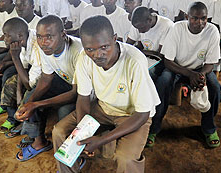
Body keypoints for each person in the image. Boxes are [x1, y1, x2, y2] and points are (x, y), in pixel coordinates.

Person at [53, 15, 160, 173]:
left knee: (126, 158)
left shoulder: (134, 61)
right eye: (90, 49)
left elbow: (143, 114)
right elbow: (83, 98)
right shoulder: (84, 58)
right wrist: (84, 133)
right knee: (59, 132)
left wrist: (101, 140)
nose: (97, 55)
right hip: (103, 108)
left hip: (133, 115)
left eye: (104, 47)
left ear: (115, 39)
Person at [148, 2, 221, 148]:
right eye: (194, 18)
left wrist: (200, 75)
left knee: (215, 87)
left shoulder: (212, 30)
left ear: (208, 18)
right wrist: (190, 74)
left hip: (200, 69)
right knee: (163, 83)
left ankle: (208, 128)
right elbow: (168, 61)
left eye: (203, 18)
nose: (199, 23)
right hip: (177, 67)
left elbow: (211, 63)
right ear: (187, 16)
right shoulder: (177, 28)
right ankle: (153, 128)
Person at [14, 15, 82, 161]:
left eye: (49, 36)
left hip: (85, 92)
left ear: (63, 34)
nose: (43, 42)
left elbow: (76, 93)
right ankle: (39, 142)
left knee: (65, 111)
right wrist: (29, 103)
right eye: (39, 37)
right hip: (66, 81)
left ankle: (75, 153)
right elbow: (46, 79)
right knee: (31, 96)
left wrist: (36, 104)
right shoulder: (46, 48)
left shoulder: (78, 52)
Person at [0, 17, 42, 134]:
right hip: (32, 73)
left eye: (7, 35)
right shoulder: (22, 41)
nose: (4, 39)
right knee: (10, 83)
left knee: (28, 95)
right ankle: (13, 118)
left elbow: (29, 85)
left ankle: (28, 127)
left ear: (20, 36)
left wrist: (15, 57)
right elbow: (23, 67)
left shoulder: (37, 46)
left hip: (47, 76)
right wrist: (18, 93)